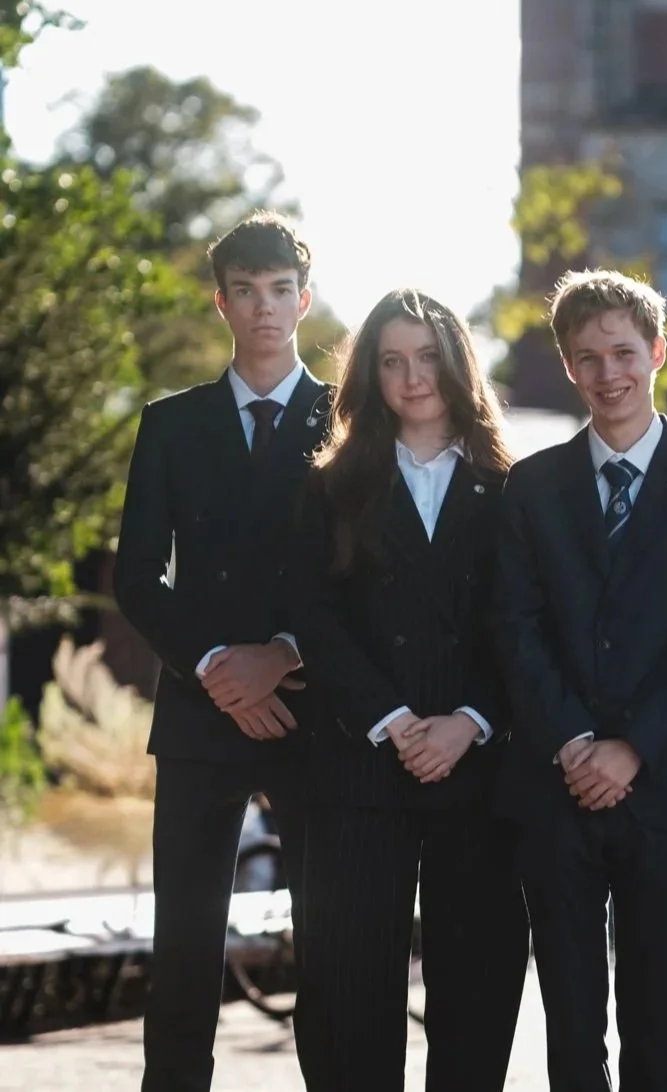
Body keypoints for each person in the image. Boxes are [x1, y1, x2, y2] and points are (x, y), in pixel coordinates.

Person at [493, 269, 667, 1092]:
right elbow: (516, 627)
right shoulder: (532, 486)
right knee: (570, 1019)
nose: (609, 374)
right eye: (589, 358)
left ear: (659, 353)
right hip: (554, 783)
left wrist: (632, 746)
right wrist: (575, 741)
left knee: (656, 1015)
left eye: (624, 353)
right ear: (569, 366)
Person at [288, 290, 528, 1091]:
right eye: (392, 361)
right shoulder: (332, 484)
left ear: (458, 364)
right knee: (348, 994)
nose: (412, 376)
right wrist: (391, 719)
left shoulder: (513, 485)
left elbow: (526, 623)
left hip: (478, 770)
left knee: (477, 992)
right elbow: (314, 616)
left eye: (427, 357)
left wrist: (470, 720)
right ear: (370, 374)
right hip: (360, 765)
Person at [114, 210, 329, 1091]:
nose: (264, 307)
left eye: (279, 290)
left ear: (304, 300)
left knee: (331, 942)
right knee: (185, 943)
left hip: (317, 708)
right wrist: (216, 669)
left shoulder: (352, 418)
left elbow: (371, 574)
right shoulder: (172, 424)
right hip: (201, 712)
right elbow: (135, 576)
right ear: (221, 303)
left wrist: (284, 654)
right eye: (245, 291)